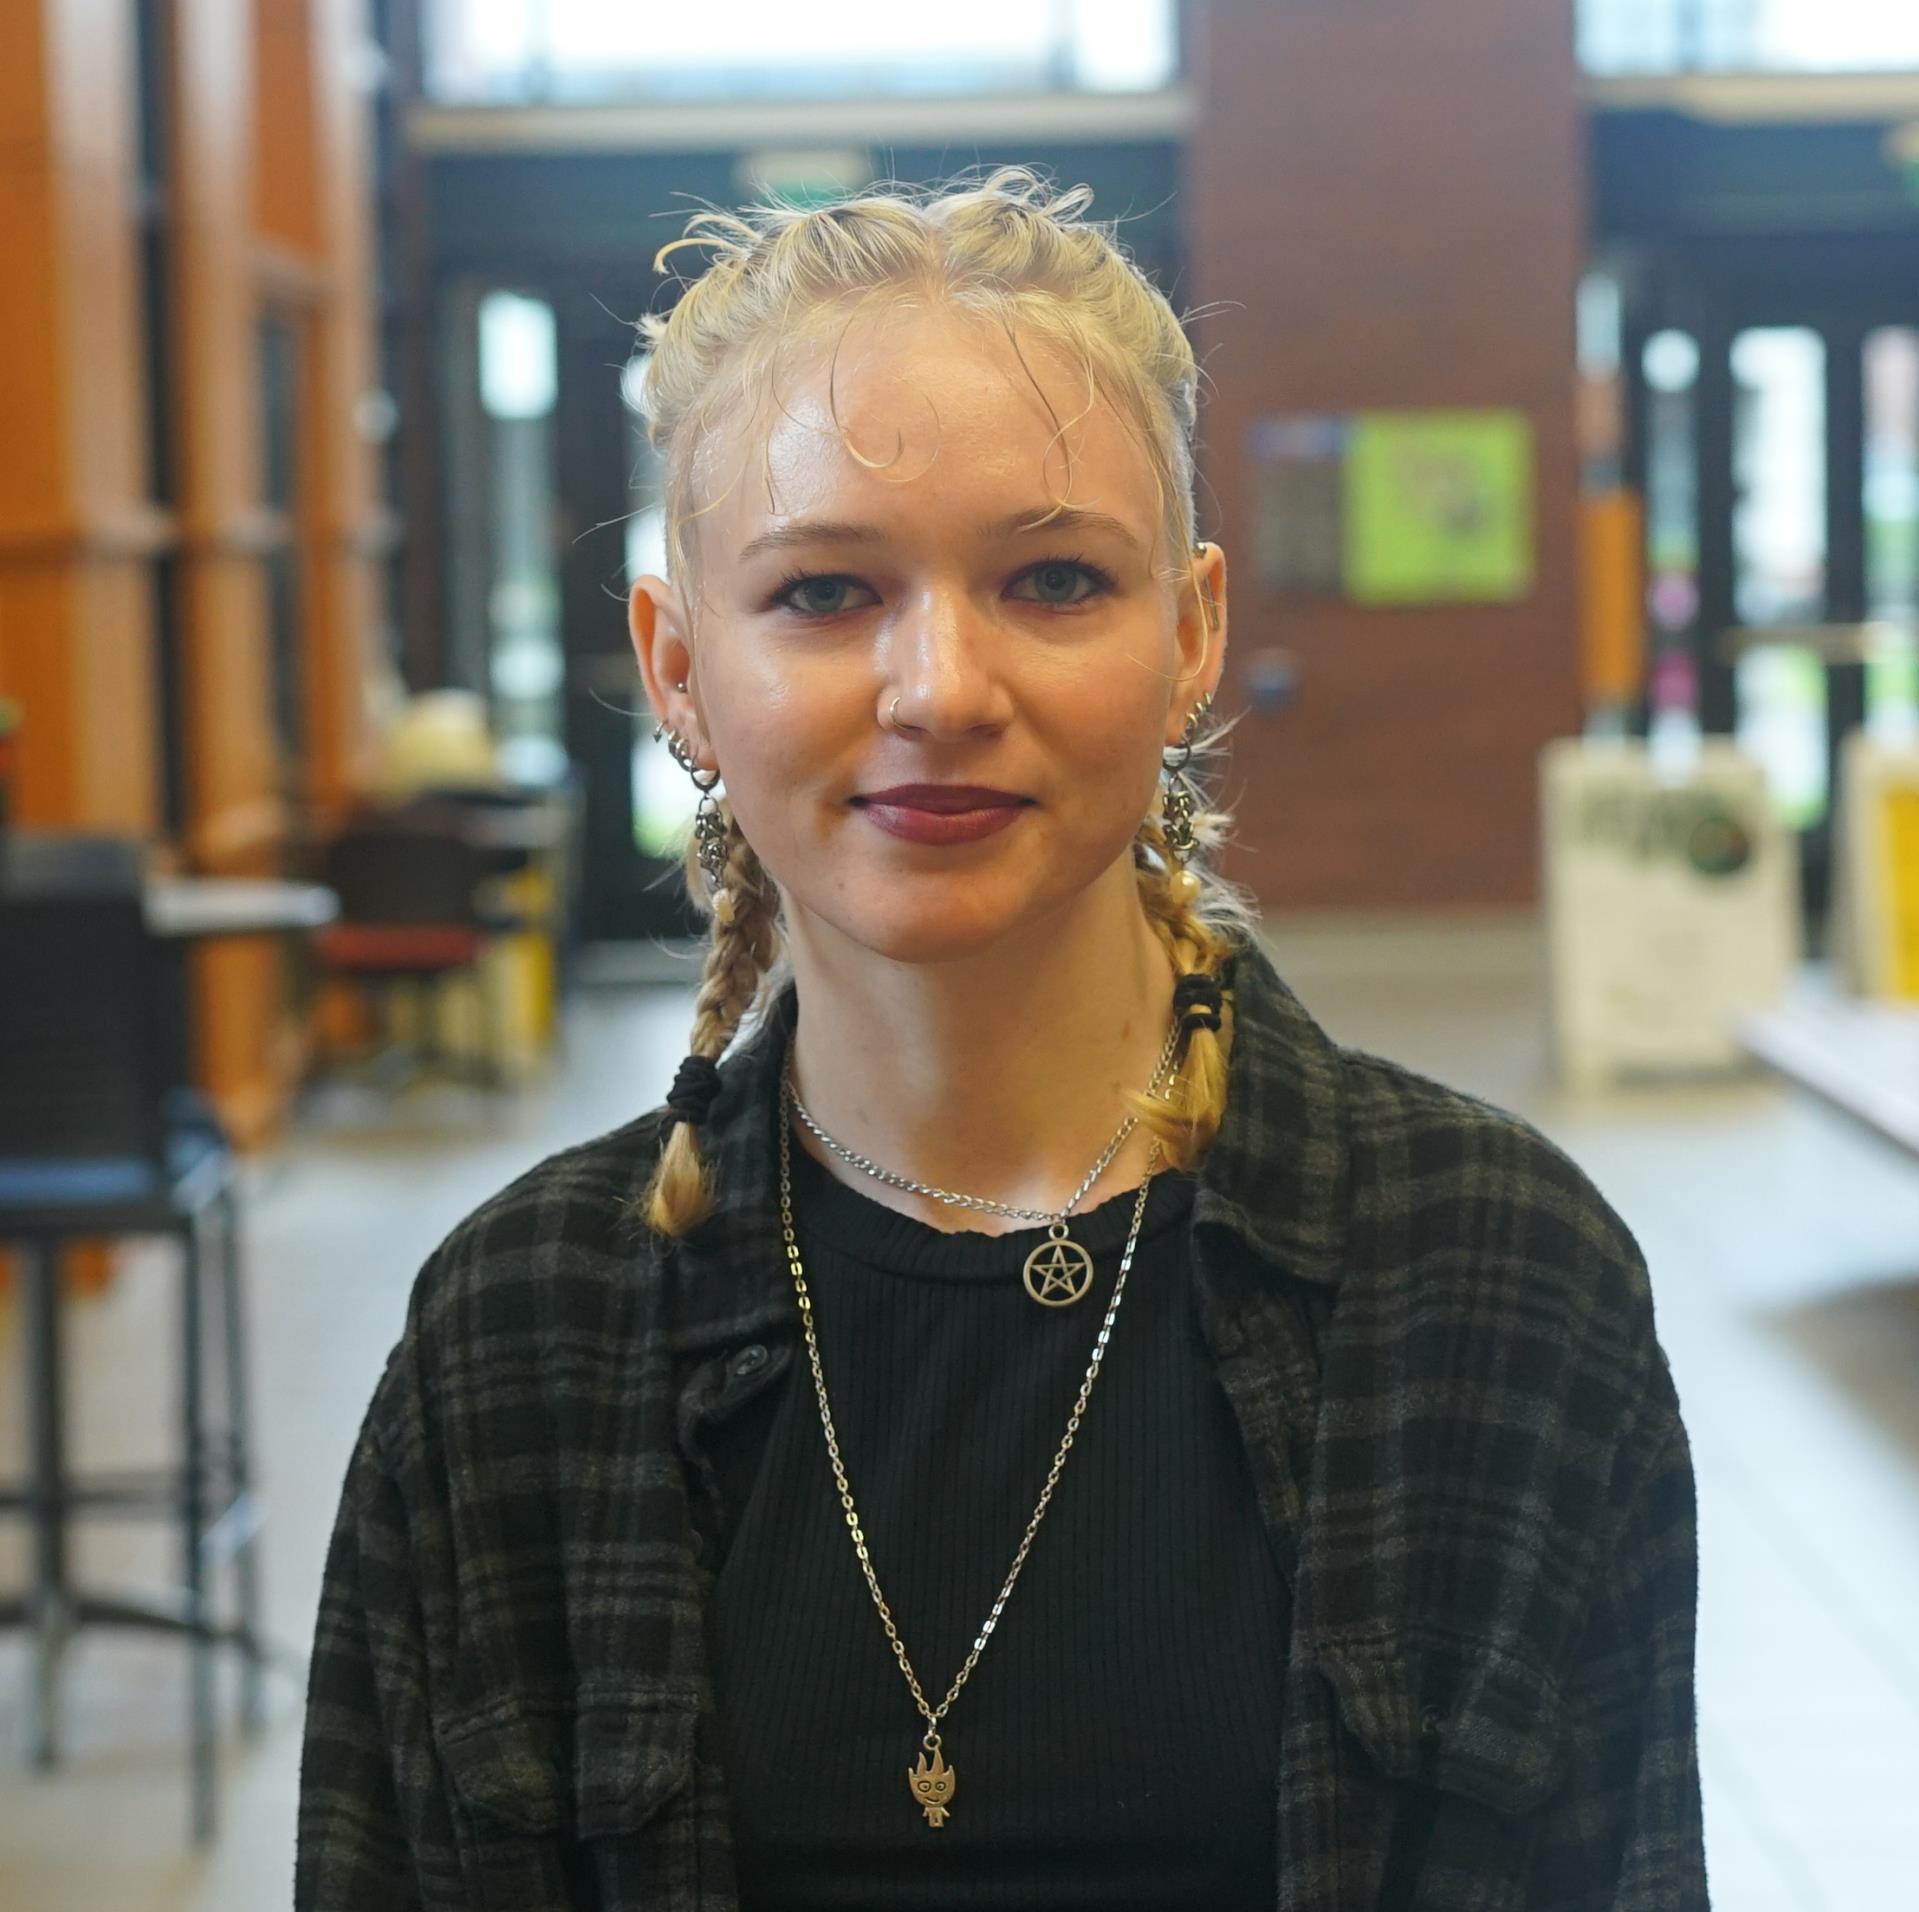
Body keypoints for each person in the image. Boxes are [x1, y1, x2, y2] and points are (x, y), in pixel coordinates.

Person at [297, 168, 1707, 1911]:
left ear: (1190, 634)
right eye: (824, 593)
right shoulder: (518, 1337)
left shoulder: (1499, 1279)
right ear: (677, 667)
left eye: (1052, 579)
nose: (943, 690)